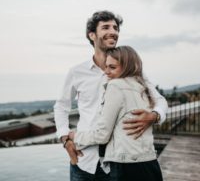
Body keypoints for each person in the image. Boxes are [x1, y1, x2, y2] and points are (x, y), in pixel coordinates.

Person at [54, 10, 168, 181]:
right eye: (106, 27)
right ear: (92, 35)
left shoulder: (133, 71)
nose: (113, 31)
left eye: (115, 28)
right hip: (83, 160)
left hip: (118, 165)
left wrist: (154, 115)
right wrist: (65, 139)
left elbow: (159, 100)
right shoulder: (76, 72)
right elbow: (61, 106)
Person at [69, 46, 163, 181]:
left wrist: (75, 136)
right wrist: (156, 115)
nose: (106, 72)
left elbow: (102, 135)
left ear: (127, 67)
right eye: (106, 67)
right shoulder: (142, 86)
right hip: (150, 162)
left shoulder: (115, 86)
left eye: (112, 67)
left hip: (126, 166)